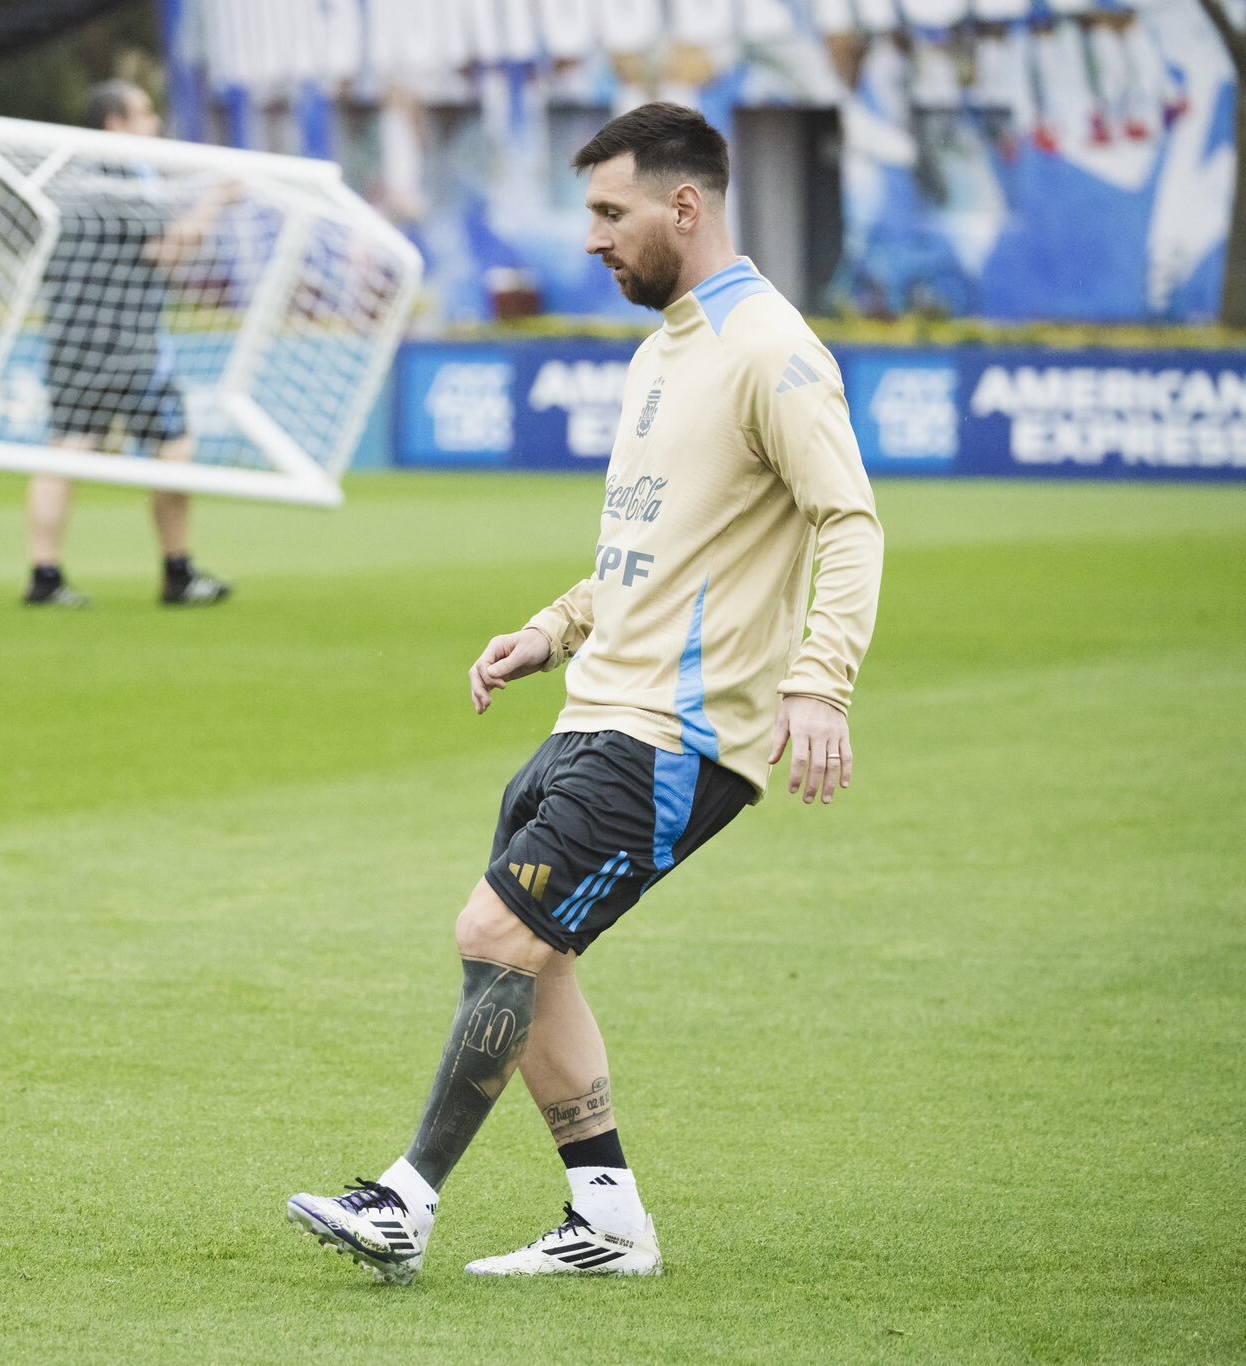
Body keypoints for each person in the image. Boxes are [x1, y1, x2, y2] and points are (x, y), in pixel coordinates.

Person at [285, 103, 884, 1282]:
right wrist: (548, 630)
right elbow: (644, 548)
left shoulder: (771, 349)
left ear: (683, 206)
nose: (594, 239)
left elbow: (848, 521)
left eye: (609, 213)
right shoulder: (663, 347)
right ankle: (605, 1219)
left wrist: (819, 683)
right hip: (594, 709)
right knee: (531, 955)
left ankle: (406, 1198)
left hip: (675, 735)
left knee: (495, 933)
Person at [26, 79, 231, 609]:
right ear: (113, 125)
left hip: (72, 340)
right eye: (143, 114)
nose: (155, 124)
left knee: (67, 447)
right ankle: (178, 573)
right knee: (174, 446)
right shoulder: (115, 175)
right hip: (125, 347)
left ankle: (44, 577)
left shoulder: (76, 176)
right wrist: (217, 200)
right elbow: (167, 250)